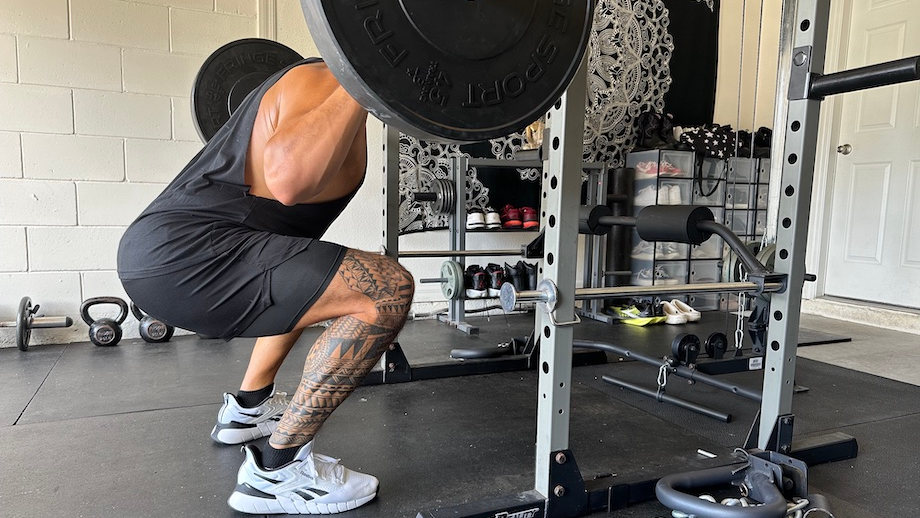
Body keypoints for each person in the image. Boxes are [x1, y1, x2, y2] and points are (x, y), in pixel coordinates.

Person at [117, 58, 415, 515]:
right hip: (189, 254)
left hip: (163, 254)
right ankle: (277, 472)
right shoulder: (322, 80)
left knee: (315, 284)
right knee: (387, 289)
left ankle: (247, 410)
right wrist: (369, 73)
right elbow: (290, 181)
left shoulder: (321, 106)